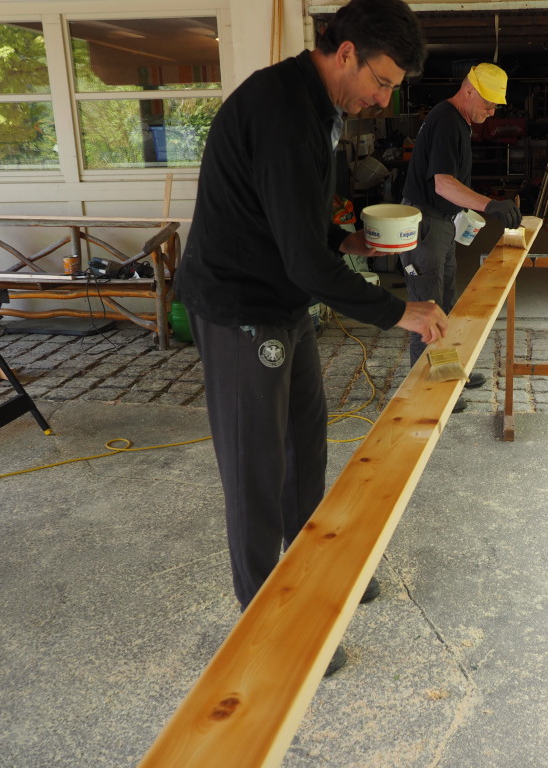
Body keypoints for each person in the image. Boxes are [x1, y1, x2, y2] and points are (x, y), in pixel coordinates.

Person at [174, 0, 446, 675]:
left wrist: (346, 239)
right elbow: (303, 261)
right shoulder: (280, 109)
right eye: (381, 82)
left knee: (306, 446)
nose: (383, 100)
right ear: (346, 52)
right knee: (257, 473)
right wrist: (400, 312)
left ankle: (318, 573)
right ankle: (269, 625)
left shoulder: (319, 106)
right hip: (240, 307)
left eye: (392, 88)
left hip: (283, 300)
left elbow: (294, 221)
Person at [399, 62, 522, 412]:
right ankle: (428, 392)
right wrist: (489, 204)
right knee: (427, 309)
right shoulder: (446, 121)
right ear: (468, 91)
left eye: (496, 105)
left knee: (446, 303)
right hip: (426, 224)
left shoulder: (457, 121)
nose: (492, 111)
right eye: (488, 103)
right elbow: (442, 184)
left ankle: (448, 372)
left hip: (441, 222)